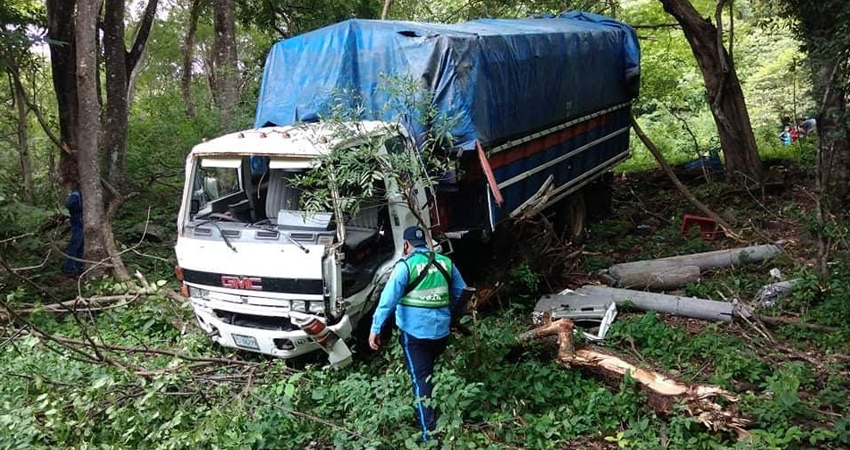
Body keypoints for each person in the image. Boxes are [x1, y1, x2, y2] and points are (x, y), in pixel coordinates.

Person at [369, 226, 466, 442]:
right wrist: (447, 312)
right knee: (429, 374)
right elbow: (462, 291)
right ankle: (438, 413)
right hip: (441, 333)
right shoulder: (445, 262)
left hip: (415, 336)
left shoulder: (405, 266)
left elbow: (387, 300)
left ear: (406, 245)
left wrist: (376, 328)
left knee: (421, 381)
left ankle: (428, 436)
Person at [63, 184, 84, 276]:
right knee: (75, 245)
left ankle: (79, 267)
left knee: (80, 246)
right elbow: (69, 206)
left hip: (81, 223)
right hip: (77, 222)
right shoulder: (76, 195)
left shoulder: (81, 194)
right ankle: (69, 268)